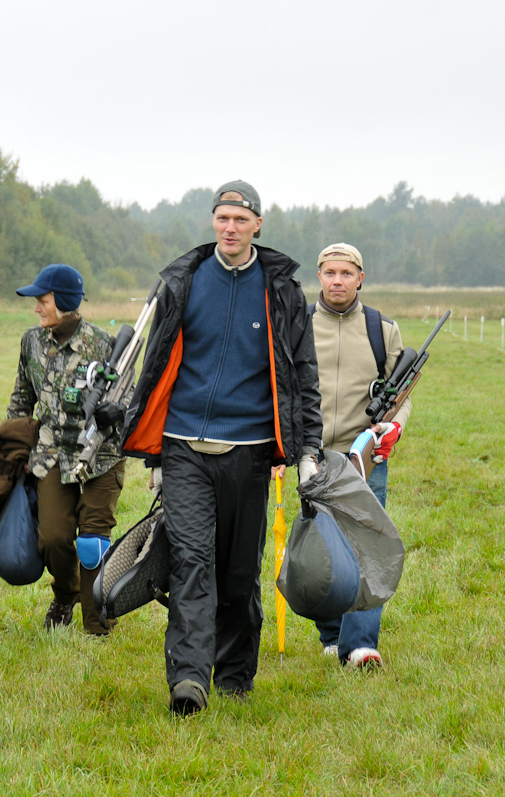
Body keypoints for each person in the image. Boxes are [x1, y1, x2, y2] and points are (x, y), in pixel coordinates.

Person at [121, 181, 323, 715]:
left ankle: (234, 675)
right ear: (213, 221)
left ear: (258, 225)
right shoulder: (183, 282)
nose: (229, 228)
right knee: (191, 561)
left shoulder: (282, 292)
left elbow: (303, 374)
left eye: (239, 219)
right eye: (221, 218)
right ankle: (189, 679)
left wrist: (308, 450)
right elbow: (156, 367)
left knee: (237, 572)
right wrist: (155, 455)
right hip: (184, 447)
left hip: (251, 452)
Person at [6, 264, 126, 636]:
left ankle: (97, 622)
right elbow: (21, 398)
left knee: (92, 542)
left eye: (42, 301)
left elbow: (130, 398)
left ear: (63, 301)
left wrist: (116, 411)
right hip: (51, 456)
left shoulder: (103, 344)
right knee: (53, 538)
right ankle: (66, 594)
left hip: (101, 456)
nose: (36, 308)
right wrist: (12, 447)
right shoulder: (31, 341)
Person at [310, 242, 410, 669]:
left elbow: (401, 393)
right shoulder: (298, 325)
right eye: (330, 273)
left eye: (346, 274)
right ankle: (332, 634)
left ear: (360, 278)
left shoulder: (381, 329)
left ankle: (360, 646)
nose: (338, 281)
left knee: (366, 546)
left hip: (364, 455)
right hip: (312, 455)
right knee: (322, 549)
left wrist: (393, 426)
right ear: (319, 276)